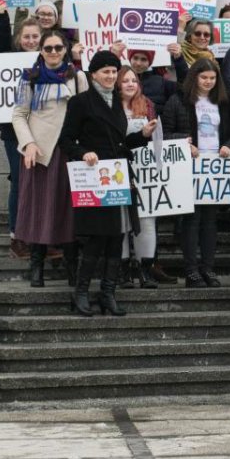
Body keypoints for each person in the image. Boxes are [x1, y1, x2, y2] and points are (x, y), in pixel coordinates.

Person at [59, 50, 157, 317]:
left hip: (117, 177)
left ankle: (108, 293)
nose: (111, 76)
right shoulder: (81, 102)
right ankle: (80, 293)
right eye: (106, 72)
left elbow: (121, 144)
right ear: (93, 75)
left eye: (114, 72)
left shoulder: (116, 100)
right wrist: (83, 153)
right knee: (96, 239)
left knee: (116, 238)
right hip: (94, 178)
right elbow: (66, 140)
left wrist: (142, 136)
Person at [12, 29, 88, 287]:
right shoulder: (30, 78)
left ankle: (72, 268)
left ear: (66, 49)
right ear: (41, 51)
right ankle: (37, 267)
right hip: (40, 153)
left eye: (58, 48)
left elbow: (86, 114)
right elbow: (19, 114)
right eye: (48, 48)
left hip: (69, 151)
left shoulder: (77, 77)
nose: (53, 52)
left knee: (69, 211)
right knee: (37, 209)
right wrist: (29, 143)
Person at [162, 57, 230, 287]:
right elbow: (165, 134)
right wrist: (185, 143)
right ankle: (191, 271)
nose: (208, 82)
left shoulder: (224, 102)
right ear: (194, 77)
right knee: (191, 220)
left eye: (212, 78)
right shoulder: (178, 101)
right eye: (204, 77)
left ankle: (208, 268)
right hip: (189, 168)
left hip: (216, 168)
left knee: (210, 221)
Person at [0, 5, 43, 257]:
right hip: (14, 131)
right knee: (19, 180)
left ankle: (42, 235)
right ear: (19, 39)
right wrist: (1, 15)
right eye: (27, 36)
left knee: (42, 182)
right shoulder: (9, 57)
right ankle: (17, 235)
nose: (31, 40)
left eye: (35, 36)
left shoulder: (49, 58)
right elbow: (1, 43)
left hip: (44, 131)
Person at [116, 65, 160, 288]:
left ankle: (145, 270)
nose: (131, 84)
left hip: (145, 172)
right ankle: (123, 271)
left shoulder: (148, 105)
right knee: (121, 222)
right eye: (125, 80)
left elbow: (158, 140)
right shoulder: (110, 107)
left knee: (146, 220)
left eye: (134, 80)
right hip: (118, 170)